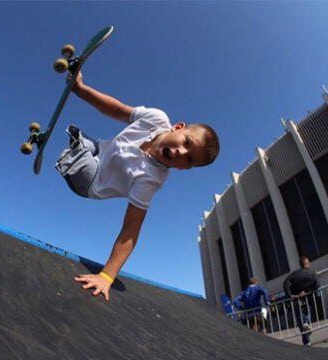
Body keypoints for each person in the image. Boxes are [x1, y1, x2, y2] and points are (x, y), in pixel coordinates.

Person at [58, 72, 220, 302]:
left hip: (91, 182)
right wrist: (81, 90)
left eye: (189, 159)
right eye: (186, 143)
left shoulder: (151, 179)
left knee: (78, 150)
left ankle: (72, 153)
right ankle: (76, 146)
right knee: (85, 142)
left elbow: (130, 231)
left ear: (185, 169)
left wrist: (106, 275)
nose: (181, 153)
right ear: (178, 127)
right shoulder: (155, 118)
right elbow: (118, 110)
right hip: (99, 150)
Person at [283, 256, 320, 346]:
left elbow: (286, 282)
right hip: (307, 297)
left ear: (301, 265)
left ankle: (306, 341)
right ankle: (306, 324)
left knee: (300, 319)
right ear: (308, 263)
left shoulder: (295, 274)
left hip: (296, 298)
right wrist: (307, 291)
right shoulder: (312, 273)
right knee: (307, 314)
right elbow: (317, 284)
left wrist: (290, 295)